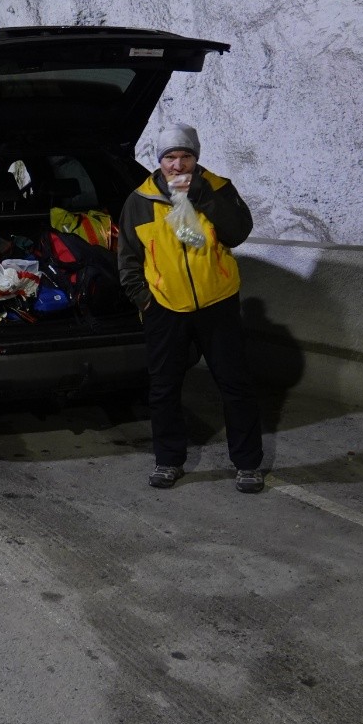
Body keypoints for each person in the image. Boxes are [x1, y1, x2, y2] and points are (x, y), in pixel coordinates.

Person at [118, 124, 265, 493]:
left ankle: (247, 464)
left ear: (196, 158)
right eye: (170, 156)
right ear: (160, 160)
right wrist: (146, 302)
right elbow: (128, 259)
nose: (178, 164)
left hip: (217, 304)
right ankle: (168, 461)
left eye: (186, 156)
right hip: (165, 308)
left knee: (236, 386)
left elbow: (238, 233)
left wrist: (204, 198)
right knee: (164, 388)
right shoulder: (140, 200)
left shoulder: (217, 188)